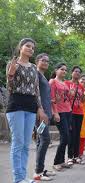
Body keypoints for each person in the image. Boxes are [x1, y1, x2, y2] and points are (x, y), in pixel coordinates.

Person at [6, 38, 47, 183]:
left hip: (31, 106)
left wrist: (40, 109)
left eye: (32, 47)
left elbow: (36, 91)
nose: (30, 49)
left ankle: (23, 176)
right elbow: (10, 88)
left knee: (26, 143)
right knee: (18, 143)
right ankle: (18, 178)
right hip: (16, 104)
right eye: (27, 46)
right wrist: (10, 74)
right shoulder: (13, 64)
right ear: (20, 48)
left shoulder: (33, 68)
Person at [33, 53, 56, 181]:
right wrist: (40, 110)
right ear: (37, 61)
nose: (46, 62)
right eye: (43, 60)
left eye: (47, 61)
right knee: (45, 139)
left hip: (46, 114)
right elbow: (35, 94)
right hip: (40, 115)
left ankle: (40, 170)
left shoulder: (43, 76)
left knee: (40, 141)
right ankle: (38, 172)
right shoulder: (35, 74)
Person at [49, 63, 72, 171]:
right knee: (65, 137)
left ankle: (62, 161)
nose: (64, 71)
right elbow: (52, 98)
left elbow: (67, 98)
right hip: (60, 112)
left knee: (66, 138)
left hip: (68, 111)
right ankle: (56, 162)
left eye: (65, 70)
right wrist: (55, 113)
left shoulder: (65, 83)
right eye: (62, 69)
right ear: (56, 70)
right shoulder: (53, 82)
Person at [65, 66, 85, 165]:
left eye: (79, 72)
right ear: (72, 73)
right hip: (70, 112)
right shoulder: (66, 83)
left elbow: (82, 100)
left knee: (77, 135)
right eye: (75, 71)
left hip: (80, 112)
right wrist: (70, 94)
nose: (77, 73)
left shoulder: (81, 87)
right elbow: (64, 98)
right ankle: (69, 157)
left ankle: (76, 156)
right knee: (71, 134)